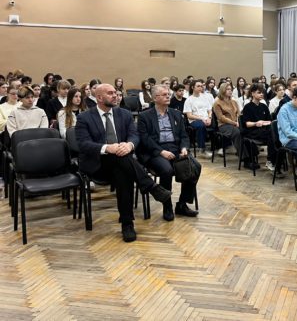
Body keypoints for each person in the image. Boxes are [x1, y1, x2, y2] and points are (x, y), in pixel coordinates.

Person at [75, 84, 172, 242]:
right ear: (99, 97)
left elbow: (134, 135)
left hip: (122, 162)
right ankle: (151, 187)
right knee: (121, 160)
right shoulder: (85, 117)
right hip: (97, 165)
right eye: (110, 93)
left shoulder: (124, 114)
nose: (115, 96)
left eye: (116, 93)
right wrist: (107, 148)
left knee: (123, 171)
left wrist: (129, 145)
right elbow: (83, 144)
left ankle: (127, 223)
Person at [137, 85, 201, 221]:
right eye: (164, 94)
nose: (168, 96)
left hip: (175, 149)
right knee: (166, 170)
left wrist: (184, 148)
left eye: (168, 94)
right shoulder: (144, 116)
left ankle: (182, 204)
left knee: (195, 166)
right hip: (155, 151)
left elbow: (184, 135)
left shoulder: (176, 114)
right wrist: (161, 152)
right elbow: (145, 139)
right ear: (155, 98)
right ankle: (167, 206)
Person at [242, 83, 278, 171]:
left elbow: (269, 121)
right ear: (252, 93)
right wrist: (256, 123)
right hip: (252, 131)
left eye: (262, 92)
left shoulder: (264, 106)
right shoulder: (247, 107)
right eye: (259, 92)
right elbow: (247, 124)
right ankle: (271, 160)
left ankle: (275, 160)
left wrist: (264, 122)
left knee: (274, 133)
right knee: (272, 135)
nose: (261, 94)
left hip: (264, 129)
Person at [183, 79, 213, 158]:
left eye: (201, 86)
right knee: (201, 126)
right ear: (193, 87)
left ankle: (220, 147)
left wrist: (209, 117)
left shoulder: (204, 97)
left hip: (206, 118)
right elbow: (189, 115)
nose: (200, 88)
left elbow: (209, 110)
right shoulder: (189, 100)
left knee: (218, 124)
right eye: (198, 86)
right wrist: (202, 119)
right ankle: (201, 149)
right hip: (194, 120)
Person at [212, 82, 241, 157]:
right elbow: (221, 118)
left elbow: (238, 114)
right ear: (222, 90)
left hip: (236, 123)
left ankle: (248, 153)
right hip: (224, 125)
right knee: (237, 132)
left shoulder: (234, 102)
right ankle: (243, 155)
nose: (230, 91)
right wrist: (234, 123)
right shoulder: (217, 103)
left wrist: (238, 122)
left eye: (231, 89)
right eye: (227, 89)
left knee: (245, 131)